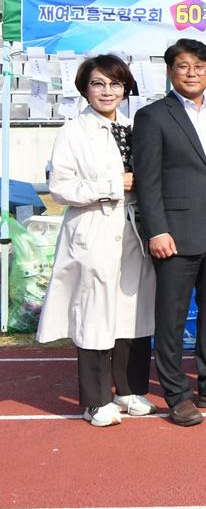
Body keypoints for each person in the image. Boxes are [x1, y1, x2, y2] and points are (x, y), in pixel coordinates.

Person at [133, 38, 206, 426]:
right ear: (171, 71)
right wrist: (157, 230)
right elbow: (147, 182)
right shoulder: (153, 117)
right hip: (175, 234)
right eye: (183, 66)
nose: (192, 73)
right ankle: (176, 394)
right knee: (172, 318)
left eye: (199, 67)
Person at [36, 55, 156, 427]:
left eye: (115, 84)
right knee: (94, 313)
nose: (108, 91)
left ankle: (129, 389)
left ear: (126, 88)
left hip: (132, 230)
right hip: (93, 228)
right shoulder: (73, 131)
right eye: (98, 84)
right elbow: (60, 187)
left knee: (132, 312)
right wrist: (110, 186)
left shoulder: (133, 127)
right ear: (84, 88)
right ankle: (94, 399)